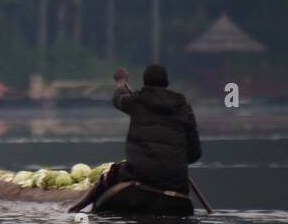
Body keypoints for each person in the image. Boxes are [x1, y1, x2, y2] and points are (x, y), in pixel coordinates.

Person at [69, 64, 201, 212]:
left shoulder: (137, 101)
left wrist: (121, 81)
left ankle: (75, 210)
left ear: (145, 82)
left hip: (140, 176)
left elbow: (118, 98)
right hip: (176, 183)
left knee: (109, 177)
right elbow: (194, 154)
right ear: (166, 83)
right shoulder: (184, 108)